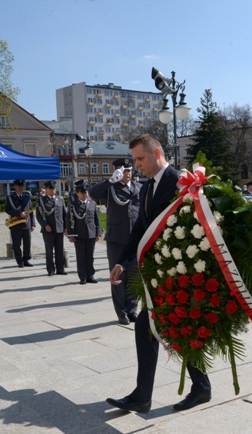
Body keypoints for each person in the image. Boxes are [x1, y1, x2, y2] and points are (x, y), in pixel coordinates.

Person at [106, 134, 211, 414]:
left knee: (152, 327)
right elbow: (141, 228)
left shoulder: (179, 182)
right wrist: (122, 261)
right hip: (158, 273)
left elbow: (193, 229)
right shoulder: (146, 187)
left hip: (179, 274)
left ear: (156, 153)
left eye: (140, 158)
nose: (136, 165)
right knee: (169, 328)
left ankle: (146, 395)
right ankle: (199, 387)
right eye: (135, 160)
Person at [89, 158, 141, 325]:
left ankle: (132, 309)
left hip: (135, 239)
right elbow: (92, 193)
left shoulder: (138, 188)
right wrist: (110, 180)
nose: (127, 174)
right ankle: (122, 312)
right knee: (118, 277)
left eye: (129, 170)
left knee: (134, 276)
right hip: (117, 239)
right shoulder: (110, 188)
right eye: (124, 171)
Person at [67, 180, 100, 284]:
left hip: (91, 234)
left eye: (86, 192)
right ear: (77, 193)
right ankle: (82, 276)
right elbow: (69, 220)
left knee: (90, 256)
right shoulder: (73, 205)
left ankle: (90, 275)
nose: (85, 194)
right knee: (81, 256)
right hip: (79, 234)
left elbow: (96, 219)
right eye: (82, 193)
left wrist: (98, 233)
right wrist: (70, 235)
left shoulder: (92, 203)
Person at [36, 181, 67, 277]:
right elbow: (39, 216)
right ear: (47, 189)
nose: (53, 190)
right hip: (48, 229)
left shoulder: (60, 199)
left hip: (59, 228)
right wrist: (45, 225)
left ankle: (60, 269)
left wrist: (65, 227)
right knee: (49, 250)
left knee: (60, 250)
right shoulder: (41, 200)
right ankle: (50, 269)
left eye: (54, 188)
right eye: (51, 188)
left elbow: (64, 215)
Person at [5, 179, 35, 267]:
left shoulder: (26, 197)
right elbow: (7, 209)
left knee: (27, 243)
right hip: (15, 224)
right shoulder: (10, 197)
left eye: (22, 186)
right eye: (18, 186)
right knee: (16, 244)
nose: (20, 188)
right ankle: (19, 261)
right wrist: (18, 213)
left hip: (26, 224)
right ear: (15, 187)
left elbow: (31, 211)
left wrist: (33, 224)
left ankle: (26, 259)